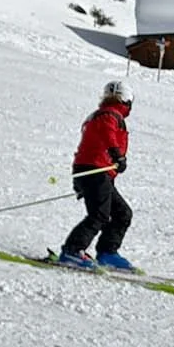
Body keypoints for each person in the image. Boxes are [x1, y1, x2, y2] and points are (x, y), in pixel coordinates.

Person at [57, 80, 136, 271]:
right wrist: (117, 154)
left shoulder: (102, 114)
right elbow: (108, 134)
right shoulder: (110, 115)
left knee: (122, 213)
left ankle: (108, 253)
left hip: (95, 172)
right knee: (99, 215)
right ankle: (72, 251)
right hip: (94, 171)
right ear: (127, 101)